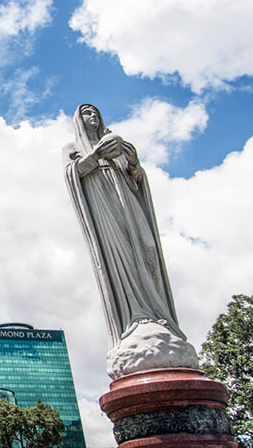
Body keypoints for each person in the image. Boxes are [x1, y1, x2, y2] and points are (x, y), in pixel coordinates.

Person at [64, 104, 186, 351]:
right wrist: (95, 156)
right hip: (103, 206)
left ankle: (157, 312)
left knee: (148, 250)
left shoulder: (115, 144)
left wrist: (133, 162)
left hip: (127, 202)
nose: (93, 116)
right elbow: (72, 174)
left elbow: (136, 179)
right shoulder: (73, 148)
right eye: (87, 113)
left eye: (96, 112)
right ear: (78, 120)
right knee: (120, 257)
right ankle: (135, 314)